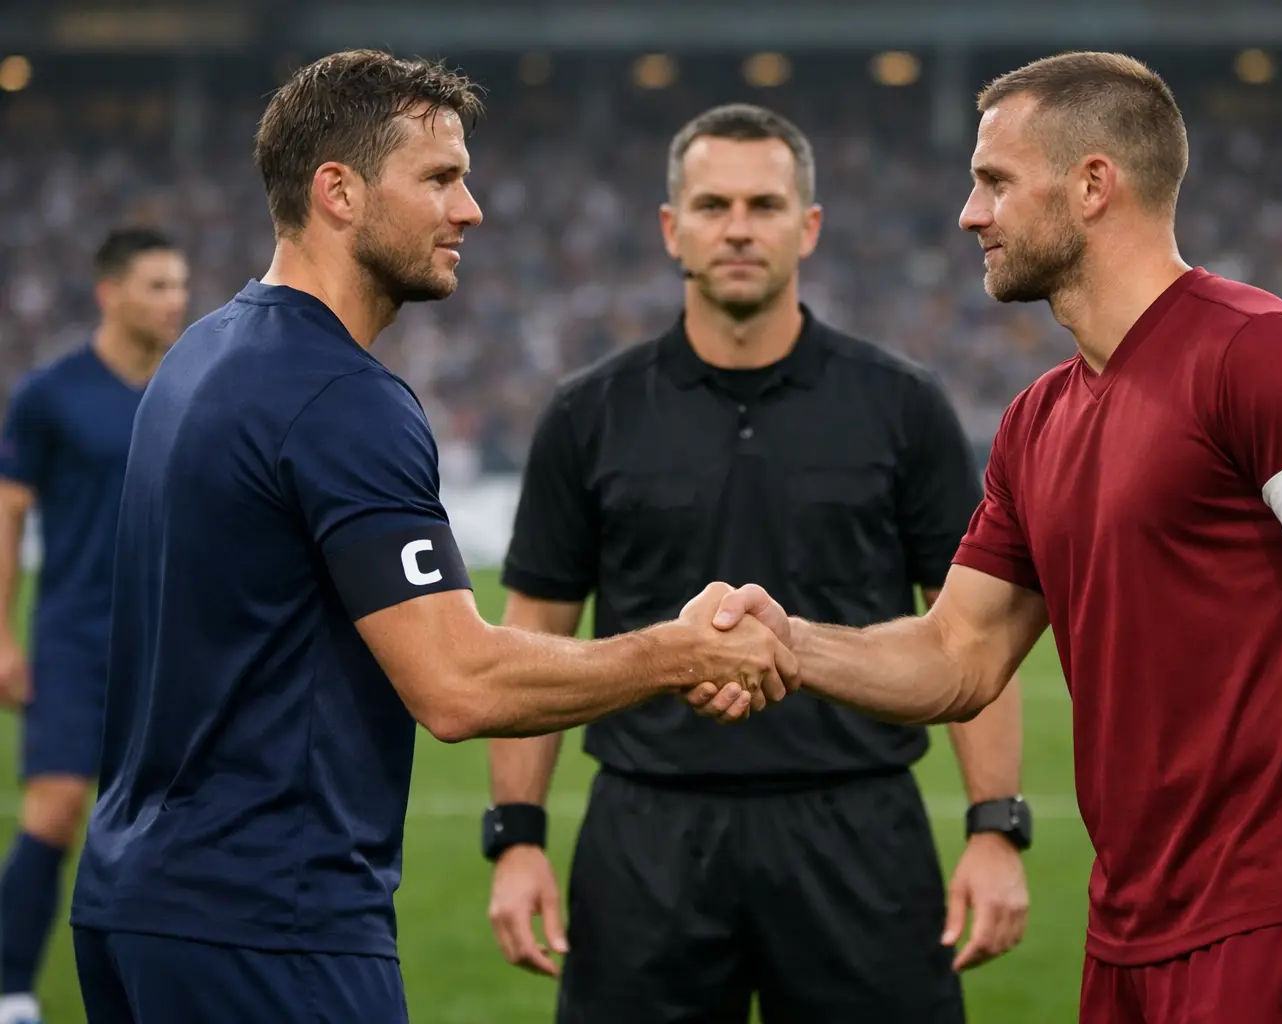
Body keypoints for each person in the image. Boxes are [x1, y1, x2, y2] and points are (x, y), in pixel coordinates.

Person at [706, 52, 1282, 1024]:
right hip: (1130, 929)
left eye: (995, 181)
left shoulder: (1263, 355)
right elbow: (959, 652)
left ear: (1094, 184)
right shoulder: (1035, 422)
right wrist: (790, 645)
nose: (970, 214)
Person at [65, 50, 795, 1024]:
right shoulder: (342, 398)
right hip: (269, 921)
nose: (471, 210)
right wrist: (681, 651)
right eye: (441, 179)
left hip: (134, 906)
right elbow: (458, 683)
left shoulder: (201, 354)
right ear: (339, 192)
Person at [483, 102, 1028, 1024]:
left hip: (858, 829)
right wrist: (517, 836)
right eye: (713, 205)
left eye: (765, 205)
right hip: (646, 835)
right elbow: (535, 630)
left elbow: (967, 627)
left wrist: (995, 825)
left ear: (807, 227)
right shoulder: (588, 413)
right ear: (672, 228)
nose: (738, 228)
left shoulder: (903, 406)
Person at [0, 228, 187, 1024]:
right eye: (157, 286)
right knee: (57, 809)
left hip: (172, 645)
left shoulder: (193, 386)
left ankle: (156, 991)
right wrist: (1, 635)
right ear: (110, 294)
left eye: (179, 285)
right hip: (75, 638)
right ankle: (10, 988)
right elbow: (8, 511)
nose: (176, 300)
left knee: (167, 828)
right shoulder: (51, 394)